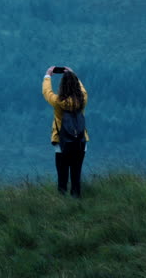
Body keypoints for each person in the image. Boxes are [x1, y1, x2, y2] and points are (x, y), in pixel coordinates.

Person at [43, 65, 88, 197]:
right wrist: (74, 75)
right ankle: (76, 201)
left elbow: (47, 92)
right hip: (80, 141)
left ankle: (61, 202)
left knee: (62, 176)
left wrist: (47, 76)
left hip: (61, 142)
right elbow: (83, 91)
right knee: (76, 176)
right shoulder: (83, 100)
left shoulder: (58, 101)